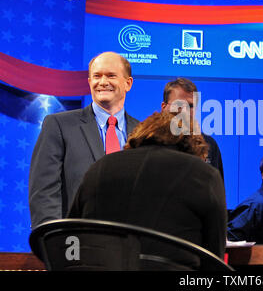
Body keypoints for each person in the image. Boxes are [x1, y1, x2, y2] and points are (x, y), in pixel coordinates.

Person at [68, 110, 227, 269]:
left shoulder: (98, 168)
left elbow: (67, 238)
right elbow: (214, 258)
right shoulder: (204, 175)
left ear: (139, 134)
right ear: (194, 145)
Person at [29, 51, 139, 229]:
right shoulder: (59, 125)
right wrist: (52, 239)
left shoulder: (142, 132)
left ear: (128, 83)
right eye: (97, 76)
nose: (102, 82)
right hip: (76, 242)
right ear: (89, 82)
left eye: (111, 75)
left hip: (129, 243)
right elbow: (44, 192)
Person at [161, 77, 224, 180]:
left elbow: (218, 191)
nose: (185, 110)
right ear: (164, 107)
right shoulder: (152, 142)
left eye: (190, 105)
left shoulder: (208, 144)